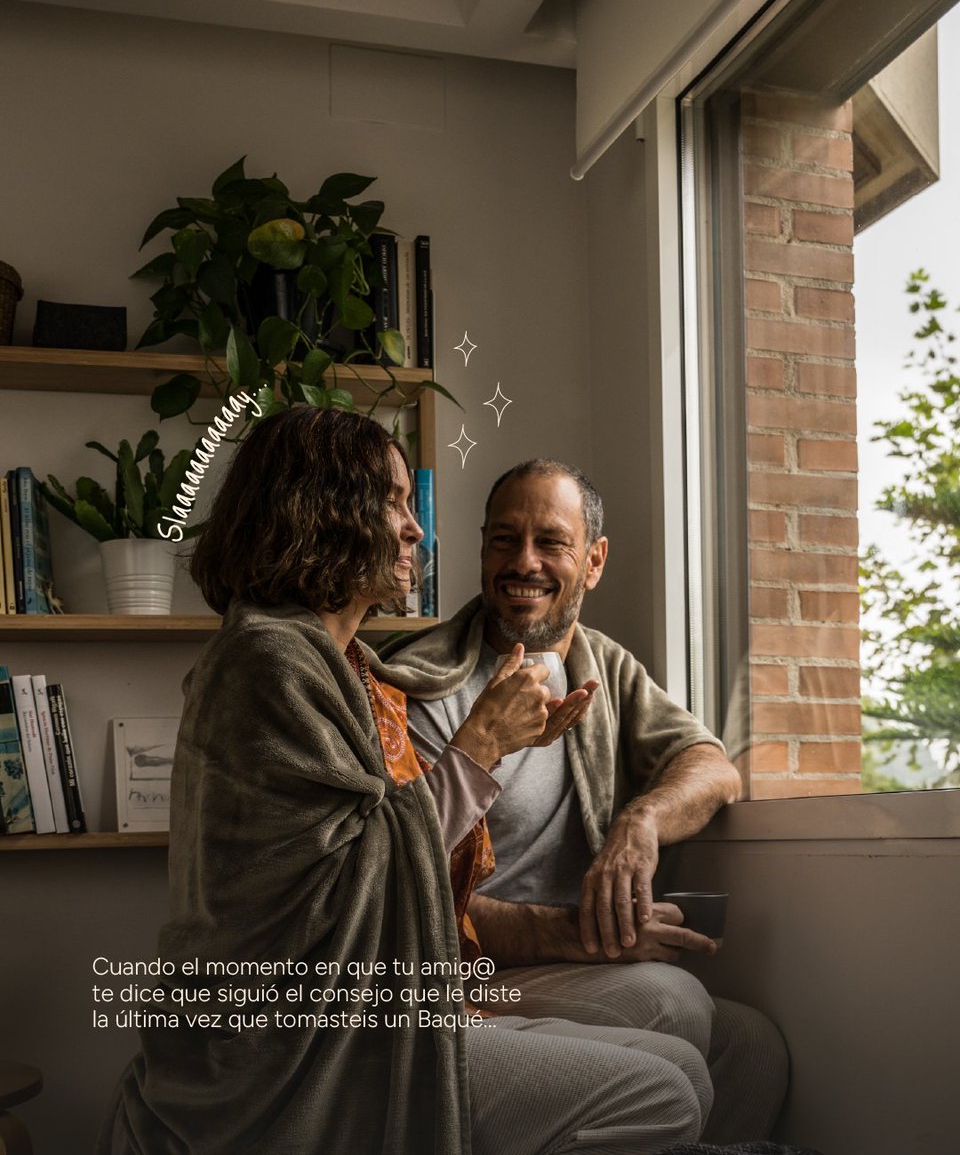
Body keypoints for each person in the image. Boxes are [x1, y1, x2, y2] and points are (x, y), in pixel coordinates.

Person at [97, 411, 715, 1155]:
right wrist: (482, 743)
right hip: (293, 1041)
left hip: (367, 1005)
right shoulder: (266, 661)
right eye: (392, 502)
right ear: (324, 512)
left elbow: (368, 853)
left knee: (684, 1056)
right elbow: (341, 882)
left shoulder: (338, 661)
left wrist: (628, 821)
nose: (416, 530)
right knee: (661, 1093)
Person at [376, 458, 789, 1146]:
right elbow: (406, 890)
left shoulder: (603, 668)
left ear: (593, 561)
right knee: (672, 1002)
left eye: (550, 542)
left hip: (561, 960)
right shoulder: (421, 684)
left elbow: (713, 767)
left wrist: (641, 823)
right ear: (481, 549)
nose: (524, 562)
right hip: (463, 969)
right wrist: (582, 933)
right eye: (504, 539)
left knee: (756, 1047)